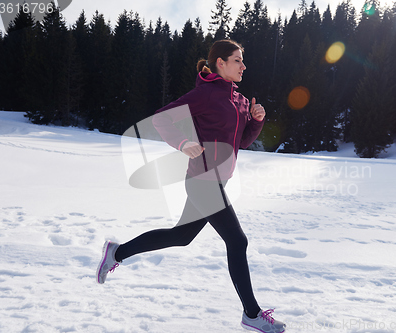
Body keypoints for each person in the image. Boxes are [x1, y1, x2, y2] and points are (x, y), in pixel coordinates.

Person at [96, 39, 286, 333]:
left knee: (182, 236)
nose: (243, 66)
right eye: (237, 60)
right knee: (238, 241)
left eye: (242, 61)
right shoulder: (207, 94)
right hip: (203, 180)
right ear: (220, 63)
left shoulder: (239, 100)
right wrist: (184, 143)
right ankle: (252, 314)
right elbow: (162, 118)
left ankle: (117, 253)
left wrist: (257, 121)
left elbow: (243, 141)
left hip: (216, 180)